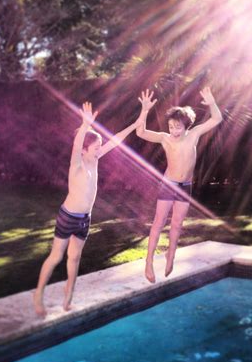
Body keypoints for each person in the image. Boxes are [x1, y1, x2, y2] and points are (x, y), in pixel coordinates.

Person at [33, 102, 141, 315]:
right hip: (68, 217)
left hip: (85, 219)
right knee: (56, 256)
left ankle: (68, 298)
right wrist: (84, 126)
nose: (100, 150)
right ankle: (38, 295)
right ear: (84, 150)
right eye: (95, 147)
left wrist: (136, 122)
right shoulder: (77, 165)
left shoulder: (95, 160)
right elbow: (75, 146)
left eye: (99, 147)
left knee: (74, 258)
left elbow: (116, 139)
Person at [136, 87, 223, 283]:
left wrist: (211, 103)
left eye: (177, 127)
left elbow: (216, 119)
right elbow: (140, 132)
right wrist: (145, 109)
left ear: (186, 126)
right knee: (159, 223)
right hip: (169, 184)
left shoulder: (194, 134)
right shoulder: (165, 138)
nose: (173, 131)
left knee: (177, 224)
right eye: (171, 127)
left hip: (185, 185)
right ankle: (149, 261)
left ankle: (171, 255)